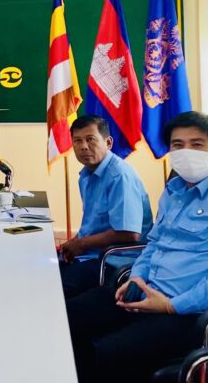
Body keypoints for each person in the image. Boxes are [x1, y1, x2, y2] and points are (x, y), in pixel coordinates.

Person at [67, 111, 208, 383]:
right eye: (177, 145)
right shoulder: (174, 190)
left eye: (196, 144)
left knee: (110, 351)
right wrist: (136, 278)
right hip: (150, 293)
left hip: (196, 313)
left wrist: (172, 305)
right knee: (71, 317)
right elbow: (154, 244)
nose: (185, 152)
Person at [59, 115, 152, 298]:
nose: (83, 146)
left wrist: (81, 243)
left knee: (55, 288)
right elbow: (95, 223)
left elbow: (129, 233)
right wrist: (74, 242)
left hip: (114, 260)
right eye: (77, 141)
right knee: (44, 273)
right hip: (91, 254)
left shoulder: (120, 176)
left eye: (90, 139)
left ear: (108, 142)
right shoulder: (86, 175)